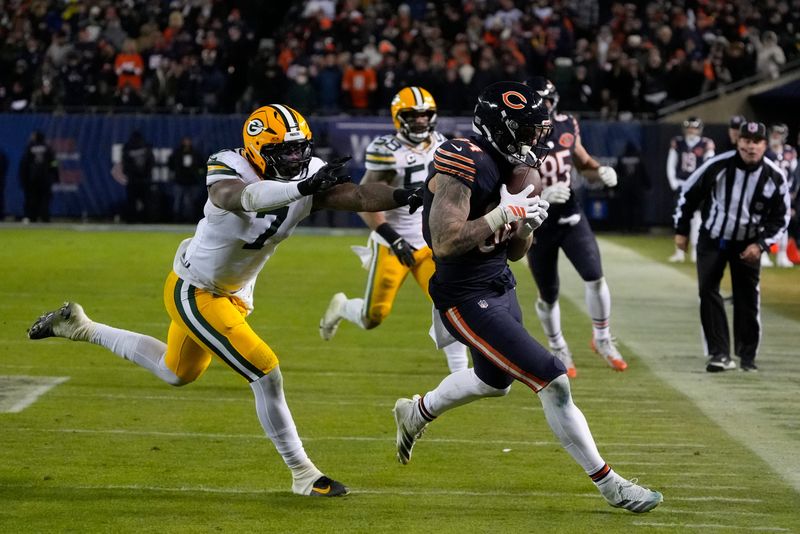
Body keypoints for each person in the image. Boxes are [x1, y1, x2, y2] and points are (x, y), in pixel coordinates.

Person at [28, 104, 422, 498]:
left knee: (176, 372)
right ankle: (303, 473)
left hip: (234, 292)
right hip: (196, 290)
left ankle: (81, 326)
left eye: (301, 149)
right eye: (285, 152)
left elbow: (356, 194)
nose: (297, 159)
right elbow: (241, 197)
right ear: (256, 150)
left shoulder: (306, 172)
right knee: (266, 371)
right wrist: (302, 187)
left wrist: (407, 195)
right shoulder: (229, 166)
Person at [392, 81, 663, 514]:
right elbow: (444, 242)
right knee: (553, 380)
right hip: (462, 293)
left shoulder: (525, 171)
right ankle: (610, 483)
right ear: (501, 127)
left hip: (498, 283)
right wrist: (503, 213)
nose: (537, 139)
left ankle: (417, 412)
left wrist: (529, 226)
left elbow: (516, 253)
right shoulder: (464, 159)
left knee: (493, 382)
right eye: (529, 131)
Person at [319, 86, 469, 373]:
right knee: (373, 316)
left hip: (430, 240)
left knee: (449, 302)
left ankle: (460, 374)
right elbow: (363, 200)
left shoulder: (442, 144)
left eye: (425, 115)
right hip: (392, 241)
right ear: (398, 117)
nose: (421, 121)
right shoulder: (387, 151)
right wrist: (392, 237)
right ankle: (342, 307)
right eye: (413, 115)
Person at [522, 77, 626, 378]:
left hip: (569, 215)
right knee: (549, 293)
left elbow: (583, 163)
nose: (545, 109)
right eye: (539, 103)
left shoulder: (567, 125)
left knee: (594, 276)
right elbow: (507, 183)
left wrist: (600, 172)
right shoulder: (517, 134)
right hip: (537, 220)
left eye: (548, 102)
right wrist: (540, 196)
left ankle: (603, 338)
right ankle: (557, 347)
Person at [674, 121, 790, 372]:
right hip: (713, 237)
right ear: (738, 142)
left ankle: (747, 357)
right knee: (708, 290)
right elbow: (689, 193)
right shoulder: (718, 165)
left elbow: (781, 218)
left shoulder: (774, 176)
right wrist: (681, 230)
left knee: (747, 298)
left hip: (748, 243)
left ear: (764, 145)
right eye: (746, 141)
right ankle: (719, 354)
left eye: (756, 142)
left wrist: (761, 245)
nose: (751, 147)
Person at [665, 117, 716, 263]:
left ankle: (695, 251)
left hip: (697, 186)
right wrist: (674, 182)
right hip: (682, 184)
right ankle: (679, 252)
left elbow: (709, 164)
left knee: (698, 220)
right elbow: (671, 163)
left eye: (694, 128)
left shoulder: (706, 143)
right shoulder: (678, 142)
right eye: (689, 128)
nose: (691, 131)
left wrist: (703, 183)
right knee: (679, 218)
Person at [763, 123, 797, 268]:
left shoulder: (790, 151)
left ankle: (782, 255)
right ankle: (763, 252)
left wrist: (793, 192)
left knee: (784, 223)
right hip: (768, 191)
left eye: (779, 133)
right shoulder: (765, 151)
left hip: (785, 193)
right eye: (774, 133)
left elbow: (795, 174)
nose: (776, 136)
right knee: (764, 222)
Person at [19, 130, 58, 222]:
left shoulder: (30, 147)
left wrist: (24, 178)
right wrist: (54, 174)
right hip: (46, 178)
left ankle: (32, 217)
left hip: (33, 178)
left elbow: (25, 163)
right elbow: (54, 162)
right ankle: (45, 217)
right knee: (45, 198)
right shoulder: (48, 148)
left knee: (32, 198)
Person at [167, 136, 206, 222]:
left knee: (189, 203)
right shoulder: (177, 153)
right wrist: (176, 172)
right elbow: (170, 163)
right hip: (180, 181)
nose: (187, 143)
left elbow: (202, 166)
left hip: (191, 182)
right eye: (185, 141)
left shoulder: (195, 153)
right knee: (177, 202)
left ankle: (188, 219)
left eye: (188, 141)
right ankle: (176, 219)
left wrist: (197, 174)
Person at [121, 130, 155, 223]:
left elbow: (150, 163)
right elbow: (151, 163)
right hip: (140, 180)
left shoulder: (128, 147)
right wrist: (143, 174)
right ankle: (144, 220)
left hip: (136, 180)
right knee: (141, 201)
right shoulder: (145, 147)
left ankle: (136, 220)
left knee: (138, 201)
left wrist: (136, 173)